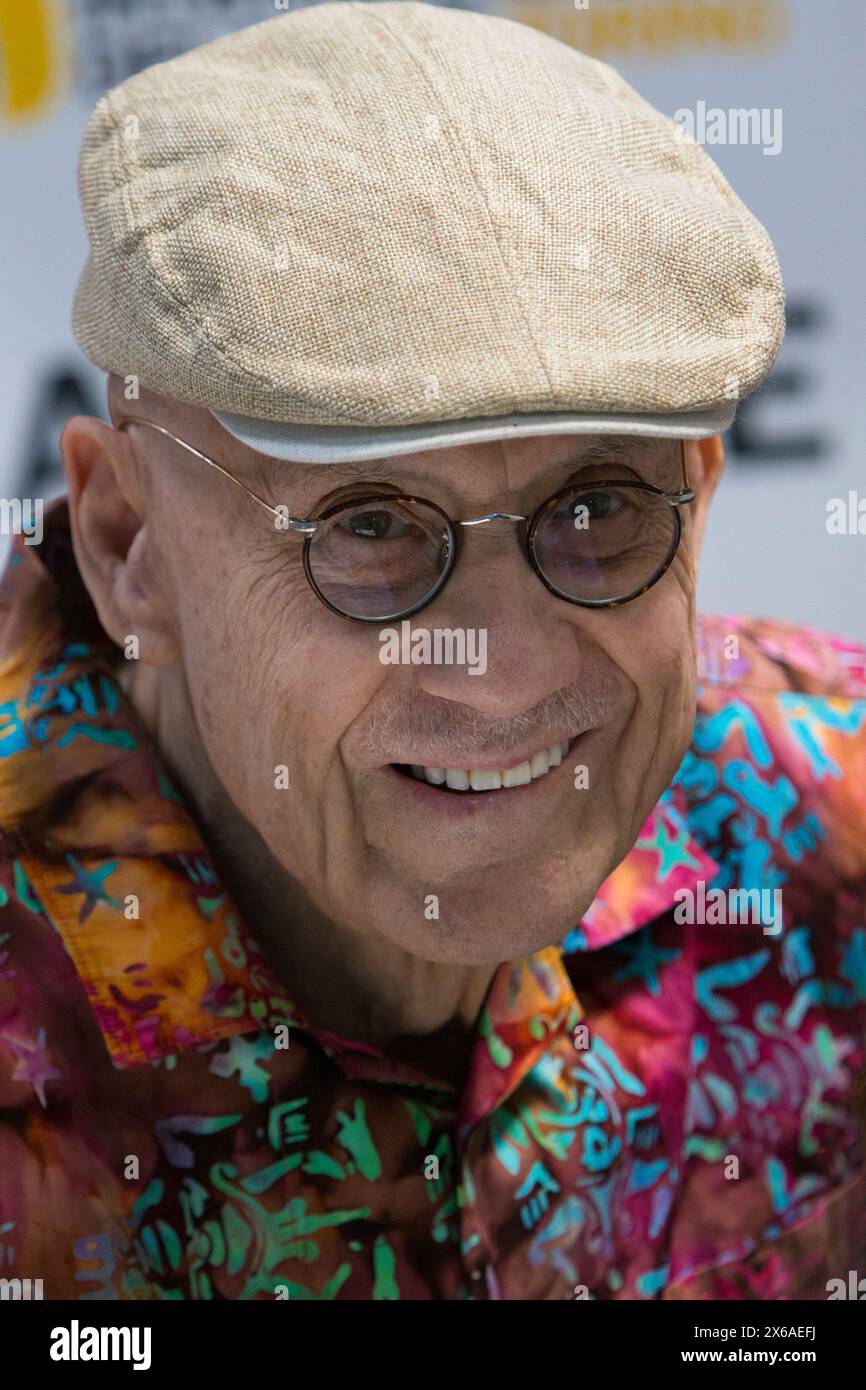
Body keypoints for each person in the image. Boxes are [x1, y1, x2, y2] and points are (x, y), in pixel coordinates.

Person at [0, 1, 863, 1301]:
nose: (506, 674)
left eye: (595, 509)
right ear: (130, 541)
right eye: (369, 528)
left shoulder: (832, 829)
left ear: (700, 487)